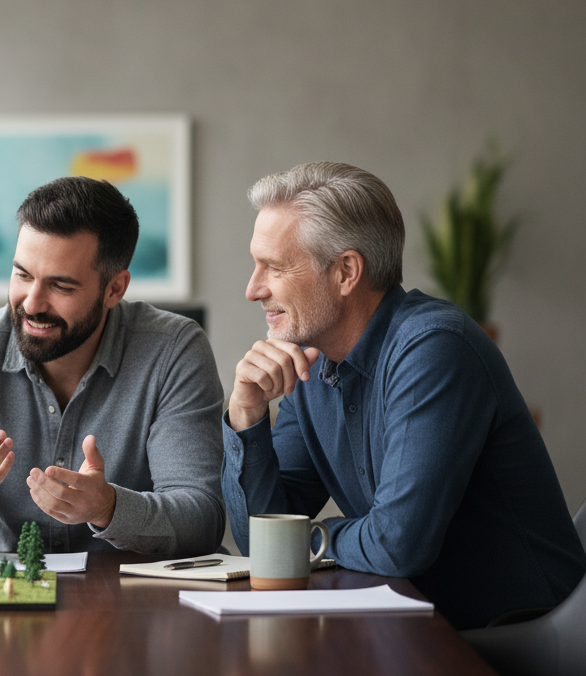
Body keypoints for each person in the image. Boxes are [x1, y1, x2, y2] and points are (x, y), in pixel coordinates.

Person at [222, 161, 586, 630]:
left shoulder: (435, 348)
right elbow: (261, 543)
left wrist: (306, 541)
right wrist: (246, 413)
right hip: (421, 629)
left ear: (346, 272)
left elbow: (397, 544)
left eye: (272, 266)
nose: (253, 289)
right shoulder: (311, 366)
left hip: (522, 636)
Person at [0, 177, 224, 555]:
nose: (33, 303)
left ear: (115, 289)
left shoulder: (174, 351)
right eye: (22, 274)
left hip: (131, 600)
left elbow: (203, 519)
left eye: (61, 287)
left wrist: (109, 508)